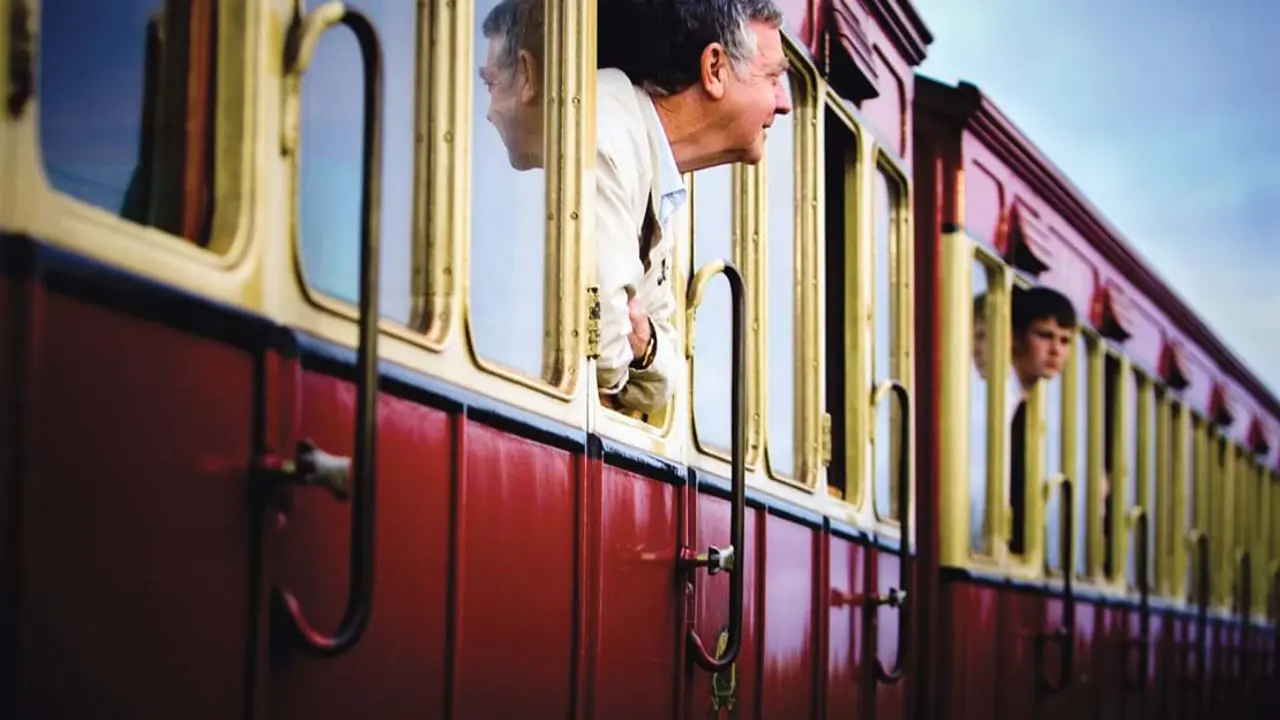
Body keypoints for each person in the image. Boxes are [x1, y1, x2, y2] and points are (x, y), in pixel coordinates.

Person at [481, 0, 793, 413]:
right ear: (714, 68)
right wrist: (641, 349)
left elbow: (660, 386)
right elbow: (605, 359)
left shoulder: (659, 171)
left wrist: (645, 348)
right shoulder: (608, 127)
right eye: (772, 78)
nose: (785, 102)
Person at [1007, 285, 1076, 554]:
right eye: (1045, 336)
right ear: (1016, 337)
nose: (1056, 350)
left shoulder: (1034, 403)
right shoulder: (993, 398)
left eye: (1064, 340)